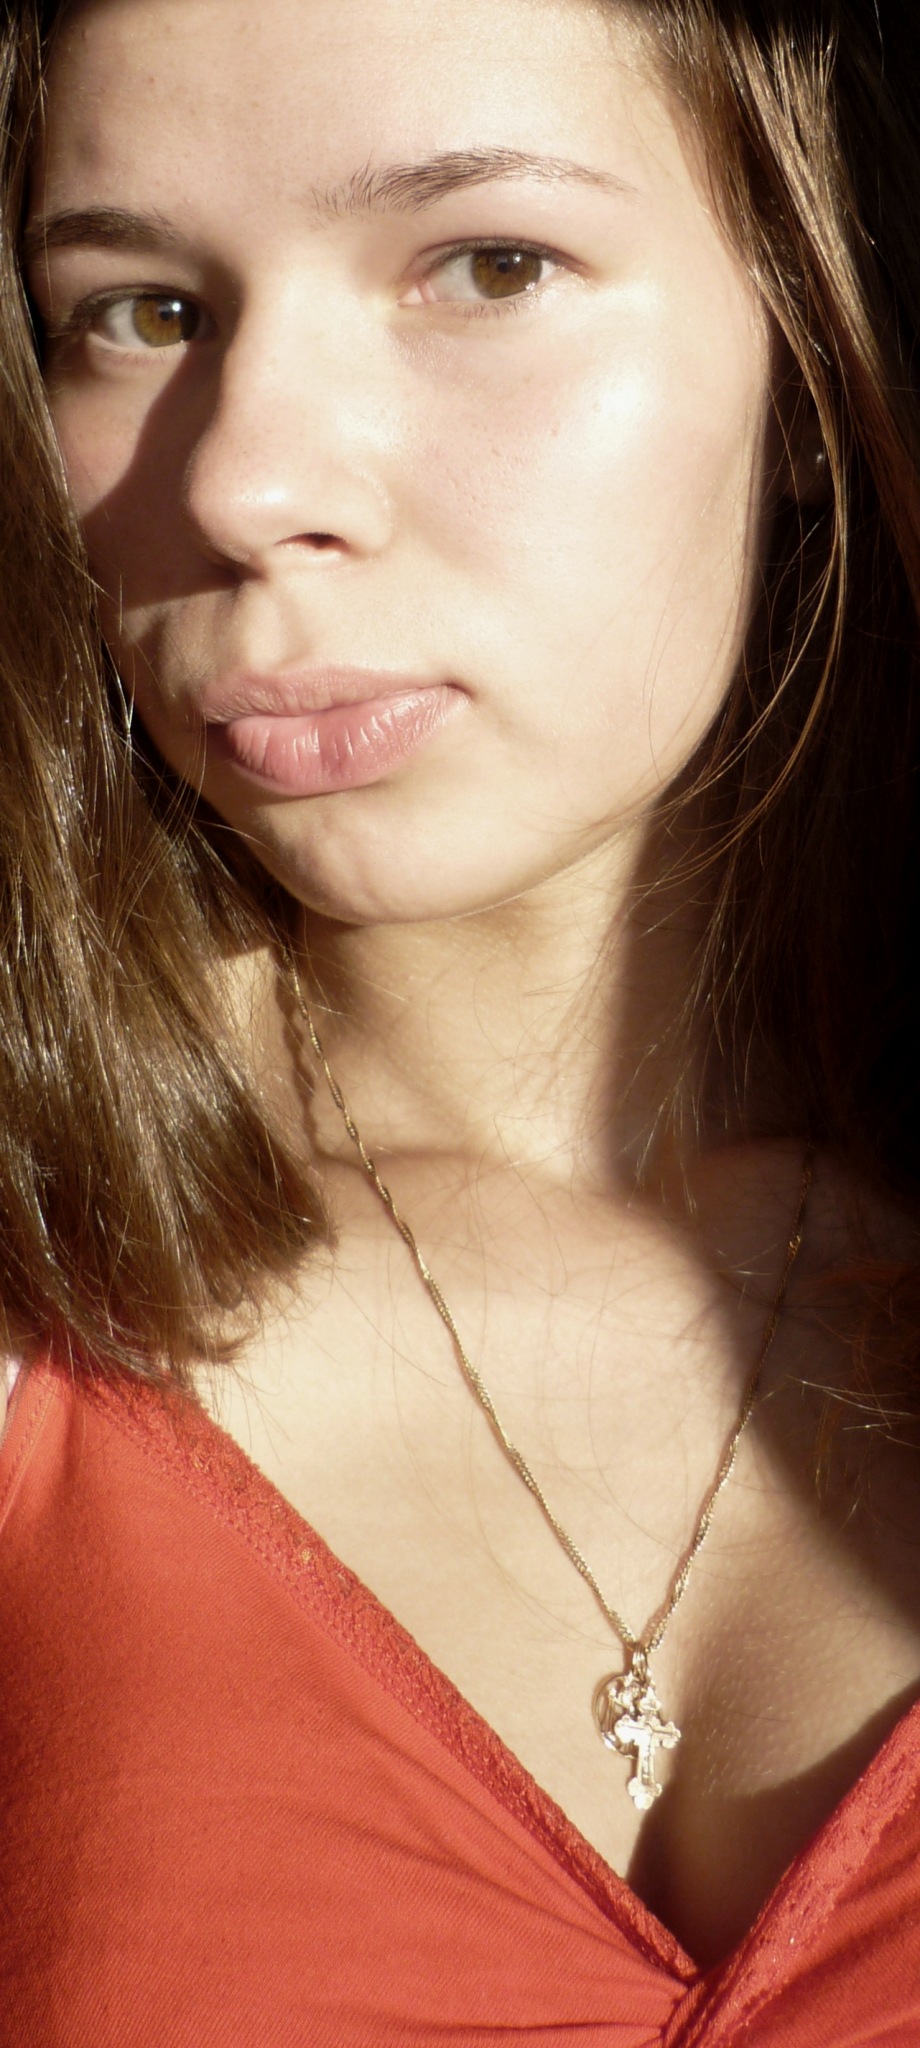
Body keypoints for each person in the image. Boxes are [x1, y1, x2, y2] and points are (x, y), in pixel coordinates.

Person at [1, 0, 920, 2038]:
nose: (243, 480)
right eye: (138, 311)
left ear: (812, 334)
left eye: (488, 268)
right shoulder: (39, 1286)